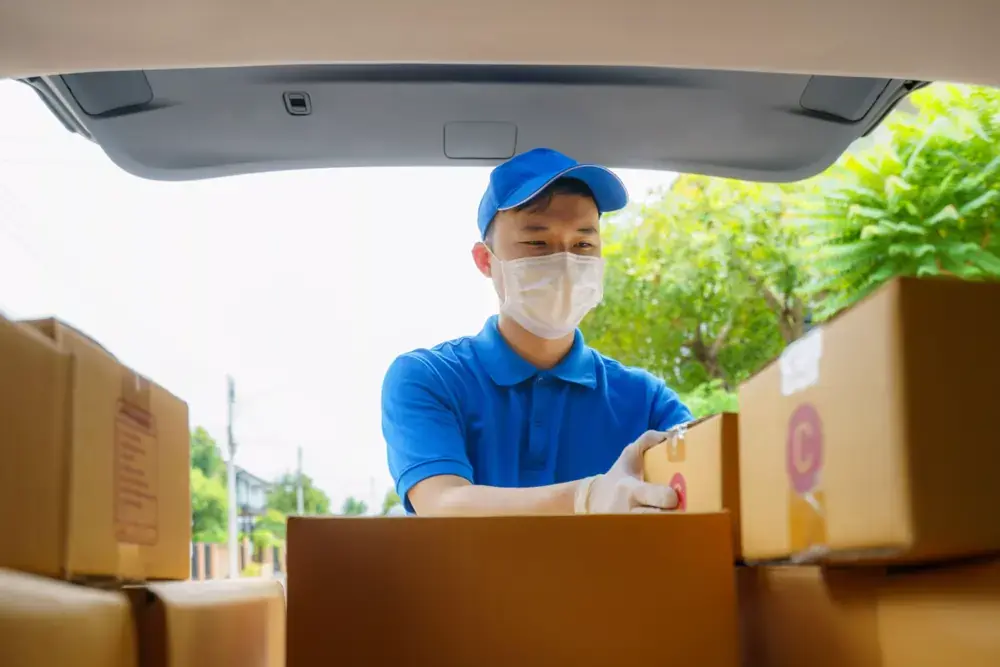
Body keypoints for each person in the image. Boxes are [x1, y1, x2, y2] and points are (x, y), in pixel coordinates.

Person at [382, 147, 693, 516]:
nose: (564, 260)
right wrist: (588, 498)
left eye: (583, 244)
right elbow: (444, 502)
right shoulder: (429, 379)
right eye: (537, 243)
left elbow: (709, 481)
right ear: (486, 260)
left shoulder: (646, 401)